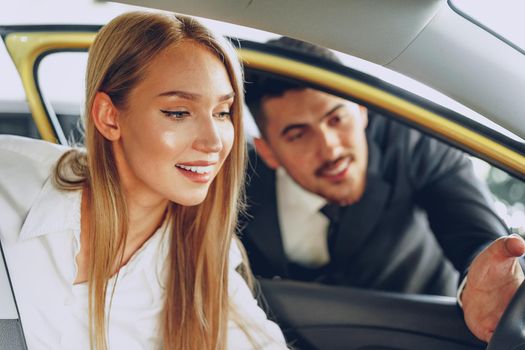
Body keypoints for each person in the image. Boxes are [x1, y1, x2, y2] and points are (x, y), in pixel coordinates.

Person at [0, 12, 288, 350]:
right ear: (109, 117)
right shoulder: (10, 184)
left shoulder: (201, 258)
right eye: (179, 113)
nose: (213, 142)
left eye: (222, 112)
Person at [241, 36, 525, 342]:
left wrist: (483, 280)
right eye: (298, 134)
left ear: (361, 110)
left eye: (336, 118)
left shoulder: (415, 143)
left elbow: (475, 236)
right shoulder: (237, 185)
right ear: (267, 150)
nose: (330, 148)